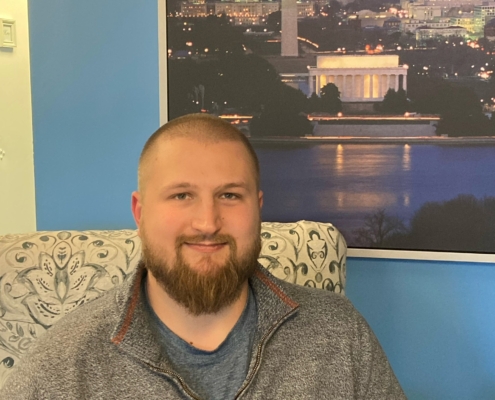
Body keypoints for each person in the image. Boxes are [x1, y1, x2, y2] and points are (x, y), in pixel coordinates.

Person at [0, 114, 406, 399]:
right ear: (140, 213)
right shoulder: (62, 365)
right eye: (182, 195)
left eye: (229, 195)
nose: (208, 223)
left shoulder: (340, 334)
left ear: (258, 209)